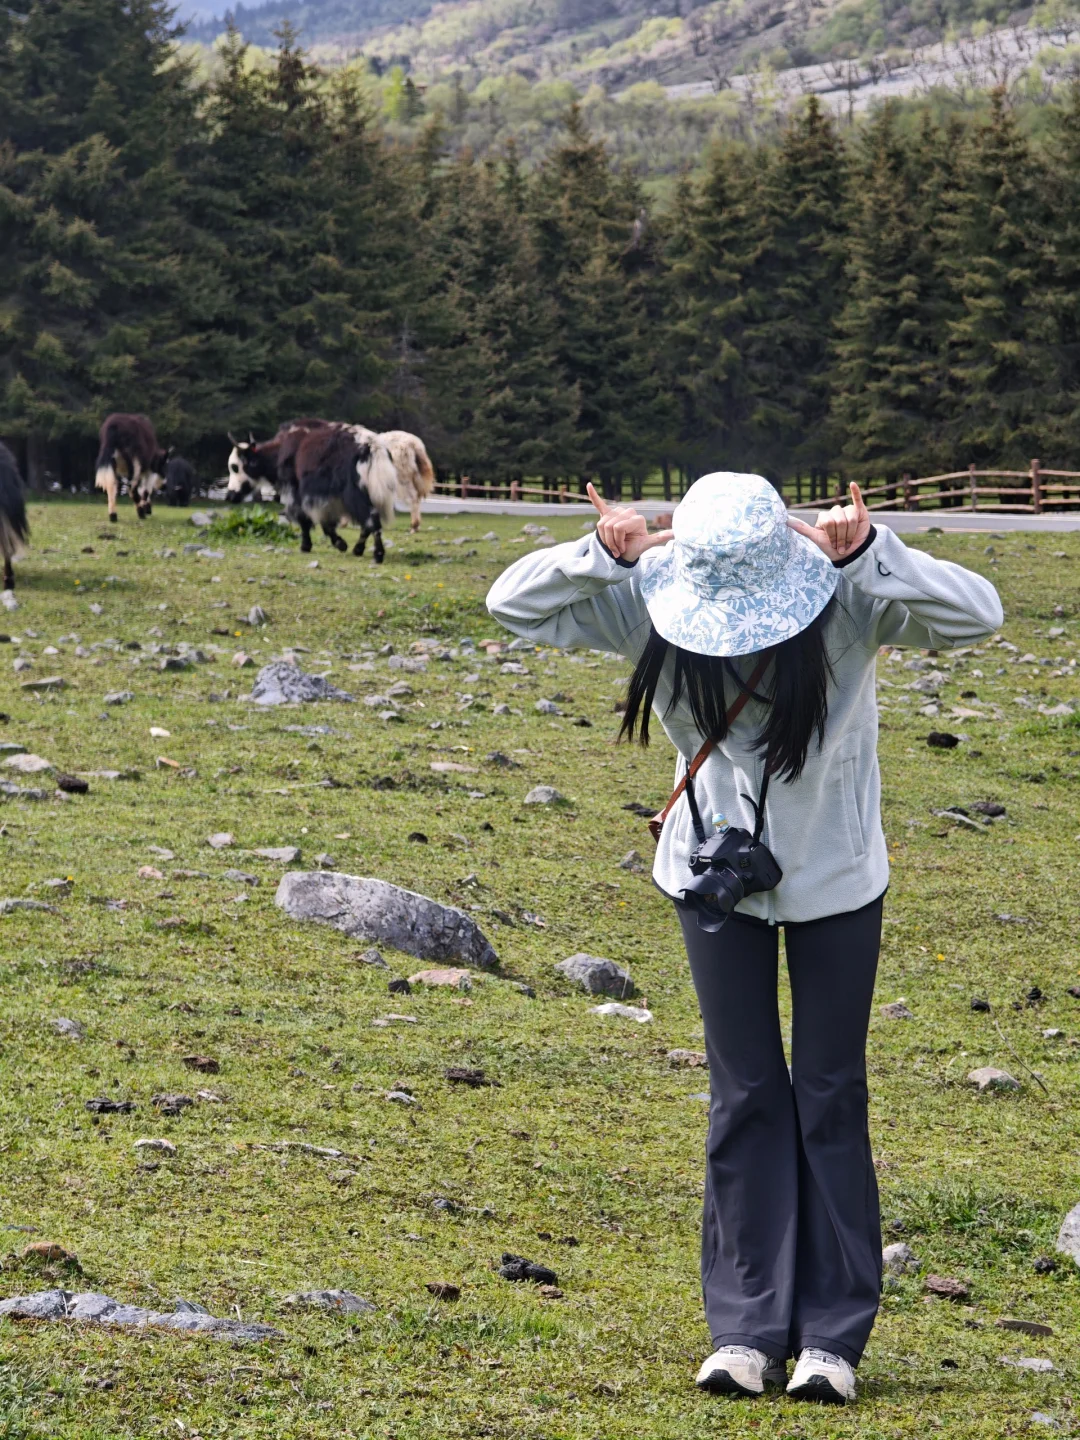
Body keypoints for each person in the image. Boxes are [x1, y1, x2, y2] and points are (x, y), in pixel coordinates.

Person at [487, 474, 1002, 1405]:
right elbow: (510, 603)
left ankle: (833, 1340)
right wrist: (600, 554)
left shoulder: (845, 599)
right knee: (745, 1093)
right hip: (710, 880)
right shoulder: (653, 599)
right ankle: (746, 1330)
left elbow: (981, 613)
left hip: (837, 879)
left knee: (830, 1094)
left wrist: (875, 552)